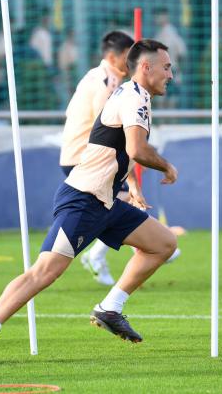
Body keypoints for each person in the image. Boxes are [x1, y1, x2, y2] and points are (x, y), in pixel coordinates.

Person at [0, 39, 178, 365]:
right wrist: (167, 166)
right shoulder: (133, 97)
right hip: (82, 200)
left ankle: (110, 308)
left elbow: (120, 150)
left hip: (106, 201)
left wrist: (130, 184)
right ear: (145, 67)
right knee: (44, 272)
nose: (171, 75)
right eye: (167, 67)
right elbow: (137, 150)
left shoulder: (133, 94)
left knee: (163, 244)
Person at [60, 31, 179, 286]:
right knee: (115, 205)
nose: (130, 64)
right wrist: (139, 180)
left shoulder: (94, 76)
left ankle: (143, 246)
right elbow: (115, 137)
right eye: (127, 57)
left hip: (77, 154)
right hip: (88, 160)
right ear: (113, 57)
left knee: (116, 205)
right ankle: (100, 255)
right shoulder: (111, 85)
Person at [153, 8, 187, 101]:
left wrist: (177, 72)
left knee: (170, 104)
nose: (156, 18)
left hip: (171, 74)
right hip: (162, 74)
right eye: (156, 16)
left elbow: (181, 53)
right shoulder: (159, 33)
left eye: (159, 15)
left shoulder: (171, 33)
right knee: (162, 104)